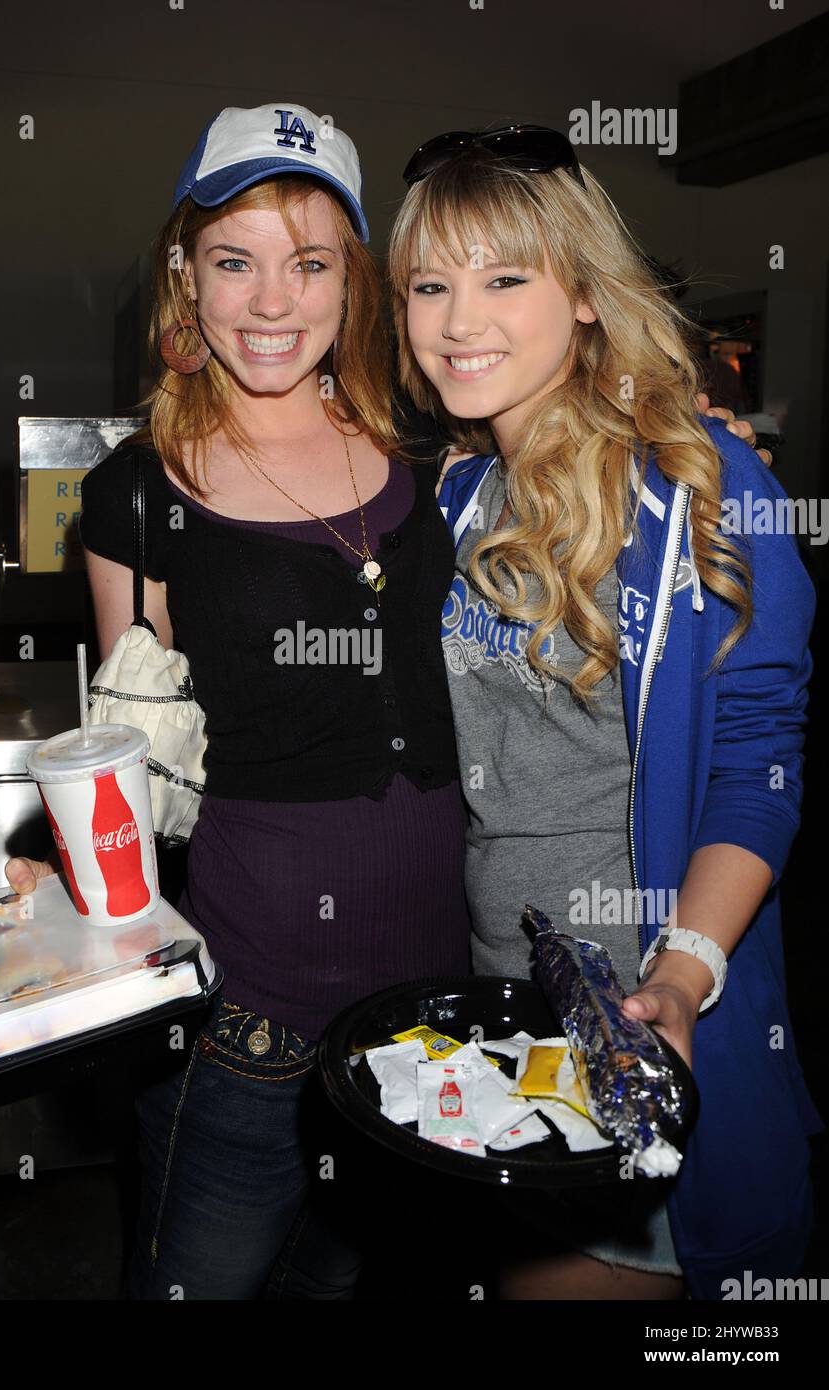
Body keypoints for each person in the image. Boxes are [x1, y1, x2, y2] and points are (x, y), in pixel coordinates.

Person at [6, 103, 472, 1300]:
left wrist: (705, 444)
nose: (272, 302)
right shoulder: (136, 493)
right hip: (241, 1017)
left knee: (343, 1282)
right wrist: (58, 858)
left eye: (308, 262)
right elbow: (132, 744)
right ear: (186, 278)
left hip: (422, 1005)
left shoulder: (431, 454)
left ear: (352, 284)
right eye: (234, 261)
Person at [387, 123, 820, 1300]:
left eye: (503, 277)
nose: (456, 319)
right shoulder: (456, 491)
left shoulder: (696, 492)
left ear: (582, 293)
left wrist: (679, 978)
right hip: (491, 1016)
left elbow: (754, 762)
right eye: (429, 283)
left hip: (637, 1019)